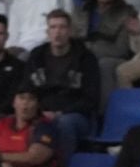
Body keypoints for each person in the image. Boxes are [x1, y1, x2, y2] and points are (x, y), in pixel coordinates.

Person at [22, 10, 98, 154]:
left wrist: (60, 113)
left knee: (63, 123)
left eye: (62, 27)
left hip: (76, 116)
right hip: (41, 112)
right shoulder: (36, 56)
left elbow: (91, 98)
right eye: (53, 27)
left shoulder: (86, 58)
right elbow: (27, 88)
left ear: (70, 31)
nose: (58, 32)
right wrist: (38, 112)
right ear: (47, 32)